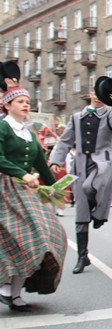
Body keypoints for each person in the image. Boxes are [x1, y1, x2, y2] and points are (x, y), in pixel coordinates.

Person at [49, 77, 112, 274]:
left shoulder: (109, 115)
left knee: (90, 188)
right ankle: (82, 256)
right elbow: (65, 141)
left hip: (102, 163)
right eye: (96, 94)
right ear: (91, 94)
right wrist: (55, 160)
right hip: (82, 165)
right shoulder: (77, 117)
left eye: (103, 96)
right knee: (81, 214)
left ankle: (99, 214)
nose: (98, 98)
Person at [0, 87, 67, 312]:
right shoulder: (3, 127)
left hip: (25, 190)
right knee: (17, 238)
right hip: (5, 188)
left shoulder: (28, 133)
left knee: (42, 236)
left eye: (27, 101)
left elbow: (41, 165)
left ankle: (15, 294)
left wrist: (56, 189)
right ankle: (6, 287)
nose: (25, 105)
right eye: (20, 101)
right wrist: (22, 174)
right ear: (7, 105)